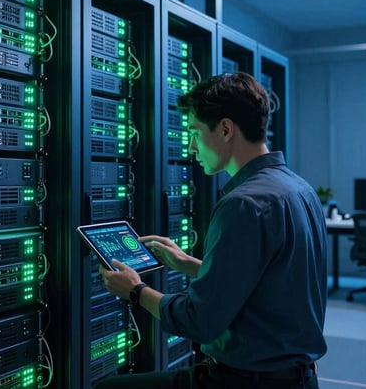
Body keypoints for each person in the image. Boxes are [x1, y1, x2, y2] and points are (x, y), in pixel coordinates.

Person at [95, 72, 328, 389]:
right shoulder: (299, 189)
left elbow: (199, 321)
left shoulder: (243, 204)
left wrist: (135, 291)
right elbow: (274, 283)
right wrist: (189, 264)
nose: (191, 146)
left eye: (195, 132)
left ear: (226, 129)